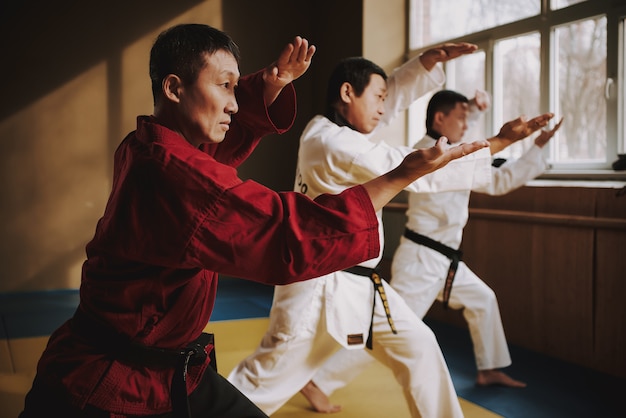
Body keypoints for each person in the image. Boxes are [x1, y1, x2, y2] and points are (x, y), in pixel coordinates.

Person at [18, 24, 490, 418]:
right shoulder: (177, 172)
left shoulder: (149, 143)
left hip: (166, 366)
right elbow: (283, 232)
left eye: (234, 86)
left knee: (400, 351)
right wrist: (400, 176)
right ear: (174, 87)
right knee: (271, 372)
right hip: (108, 382)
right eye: (224, 86)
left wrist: (267, 86)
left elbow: (212, 149)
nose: (233, 102)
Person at [227, 46, 555, 417]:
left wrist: (425, 65)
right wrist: (500, 141)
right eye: (378, 97)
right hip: (317, 287)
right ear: (348, 93)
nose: (385, 106)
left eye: (386, 98)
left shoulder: (337, 132)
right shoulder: (332, 142)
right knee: (262, 381)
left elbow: (387, 97)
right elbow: (407, 166)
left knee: (421, 349)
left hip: (361, 285)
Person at [302, 89, 564, 413]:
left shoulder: (451, 152)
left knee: (483, 300)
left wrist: (535, 147)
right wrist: (509, 137)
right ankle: (319, 382)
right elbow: (486, 170)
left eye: (469, 118)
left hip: (446, 261)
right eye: (462, 116)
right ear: (440, 118)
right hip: (422, 262)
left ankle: (489, 368)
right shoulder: (426, 154)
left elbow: (496, 179)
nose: (466, 124)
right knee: (390, 332)